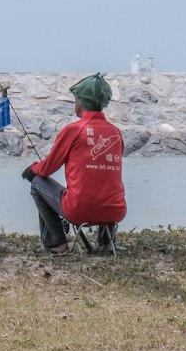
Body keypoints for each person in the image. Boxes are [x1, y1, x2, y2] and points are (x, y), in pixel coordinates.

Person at [22, 72, 126, 254]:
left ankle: (56, 243)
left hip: (79, 212)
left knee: (37, 182)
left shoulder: (74, 130)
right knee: (105, 183)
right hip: (116, 211)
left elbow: (46, 169)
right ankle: (106, 243)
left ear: (80, 102)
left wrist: (32, 169)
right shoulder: (115, 132)